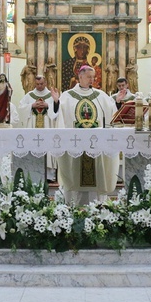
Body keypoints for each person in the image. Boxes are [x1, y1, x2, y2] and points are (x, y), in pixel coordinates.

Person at [54, 65, 118, 206]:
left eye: (93, 77)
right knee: (74, 176)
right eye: (89, 77)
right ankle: (73, 206)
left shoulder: (100, 95)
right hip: (75, 145)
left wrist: (117, 102)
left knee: (97, 175)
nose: (92, 79)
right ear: (80, 76)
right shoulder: (67, 95)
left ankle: (97, 206)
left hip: (96, 145)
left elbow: (112, 113)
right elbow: (59, 116)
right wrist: (56, 103)